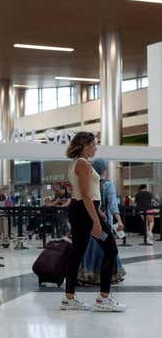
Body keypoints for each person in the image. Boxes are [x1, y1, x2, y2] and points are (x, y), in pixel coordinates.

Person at [61, 131, 125, 312]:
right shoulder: (82, 164)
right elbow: (86, 196)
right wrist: (96, 221)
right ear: (84, 145)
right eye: (93, 144)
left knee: (77, 253)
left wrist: (99, 213)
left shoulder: (79, 163)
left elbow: (86, 195)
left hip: (83, 211)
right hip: (84, 213)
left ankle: (69, 298)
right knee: (111, 249)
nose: (95, 147)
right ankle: (104, 298)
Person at [77, 158, 126, 285]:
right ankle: (110, 275)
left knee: (90, 248)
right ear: (104, 169)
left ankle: (87, 275)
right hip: (104, 224)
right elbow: (113, 204)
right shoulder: (108, 185)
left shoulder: (88, 183)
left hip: (88, 223)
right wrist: (119, 221)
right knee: (108, 249)